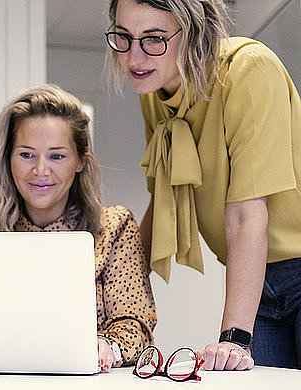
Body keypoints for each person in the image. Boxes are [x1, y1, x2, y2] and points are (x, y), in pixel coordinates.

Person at [105, 0, 301, 370]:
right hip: (255, 280)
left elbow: (245, 212)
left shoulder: (247, 70)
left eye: (154, 38)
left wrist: (234, 339)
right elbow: (161, 197)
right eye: (124, 37)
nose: (134, 57)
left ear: (194, 30)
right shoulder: (156, 92)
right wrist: (112, 285)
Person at [0, 84, 157, 370]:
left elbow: (135, 326)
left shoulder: (114, 228)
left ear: (80, 160)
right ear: (7, 158)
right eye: (26, 155)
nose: (41, 170)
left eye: (57, 156)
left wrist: (108, 347)